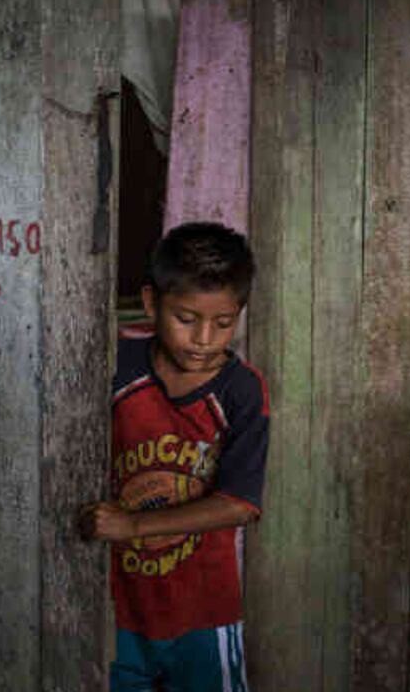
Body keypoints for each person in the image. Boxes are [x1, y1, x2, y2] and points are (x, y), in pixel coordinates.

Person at [82, 222, 269, 692]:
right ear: (151, 304)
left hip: (204, 608)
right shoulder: (115, 364)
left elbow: (240, 503)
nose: (204, 338)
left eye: (223, 323)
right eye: (186, 318)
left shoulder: (241, 390)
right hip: (121, 605)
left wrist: (134, 526)